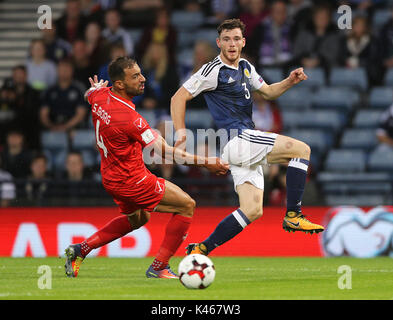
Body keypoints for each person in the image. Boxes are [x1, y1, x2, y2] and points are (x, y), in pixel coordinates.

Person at [170, 18, 324, 257]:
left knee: (252, 210)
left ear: (243, 41)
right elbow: (178, 97)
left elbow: (269, 92)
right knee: (301, 150)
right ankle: (293, 214)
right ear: (219, 43)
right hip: (239, 139)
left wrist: (290, 81)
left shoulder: (245, 66)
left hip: (242, 147)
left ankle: (201, 249)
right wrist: (180, 131)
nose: (231, 44)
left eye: (236, 39)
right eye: (226, 39)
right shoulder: (212, 70)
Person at [64, 57, 228, 279]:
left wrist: (94, 88)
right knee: (186, 206)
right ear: (119, 84)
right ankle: (159, 266)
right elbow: (166, 152)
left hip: (111, 178)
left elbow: (88, 94)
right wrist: (206, 162)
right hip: (132, 180)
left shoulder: (100, 96)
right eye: (135, 77)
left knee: (139, 219)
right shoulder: (130, 119)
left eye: (140, 73)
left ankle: (80, 250)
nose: (143, 79)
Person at [40, 59, 88, 133]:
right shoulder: (49, 90)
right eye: (61, 69)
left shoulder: (79, 89)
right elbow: (43, 114)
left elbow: (81, 114)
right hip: (53, 128)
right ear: (57, 71)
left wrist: (65, 127)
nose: (64, 71)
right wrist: (51, 126)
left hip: (75, 128)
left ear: (72, 71)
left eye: (67, 68)